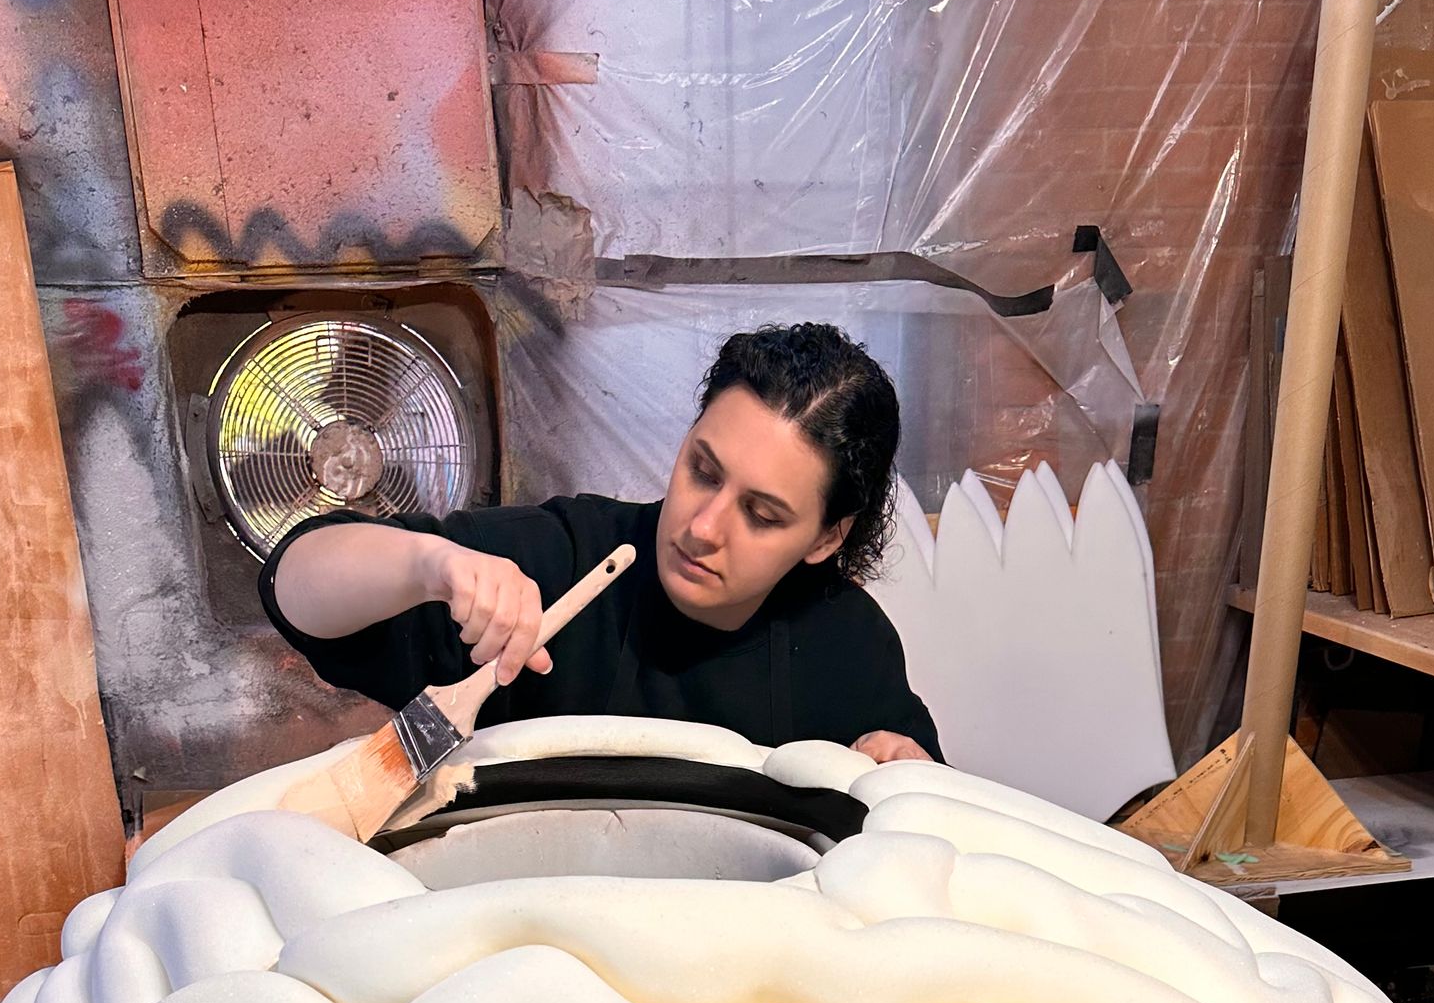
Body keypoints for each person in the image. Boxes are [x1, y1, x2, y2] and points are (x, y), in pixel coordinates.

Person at [261, 322, 939, 762]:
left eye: (762, 515)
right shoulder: (563, 557)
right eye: (702, 471)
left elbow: (929, 811)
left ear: (825, 537)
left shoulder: (846, 645)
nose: (704, 528)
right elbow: (292, 585)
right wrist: (430, 564)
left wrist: (903, 772)